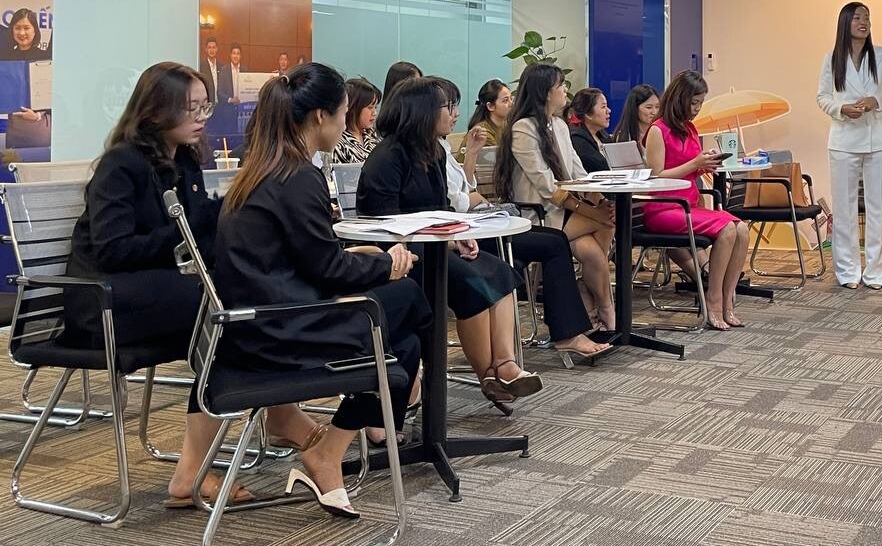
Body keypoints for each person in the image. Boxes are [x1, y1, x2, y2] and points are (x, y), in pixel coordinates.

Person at [64, 62, 320, 508]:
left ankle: (261, 429)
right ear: (156, 110)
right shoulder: (121, 164)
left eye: (206, 106)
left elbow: (195, 238)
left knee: (242, 301)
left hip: (152, 290)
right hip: (102, 301)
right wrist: (190, 229)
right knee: (226, 311)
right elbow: (113, 251)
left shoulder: (183, 159)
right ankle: (228, 451)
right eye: (192, 108)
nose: (202, 117)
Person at [217, 64, 428, 519]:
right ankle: (345, 441)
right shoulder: (298, 177)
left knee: (405, 337)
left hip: (256, 323)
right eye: (344, 113)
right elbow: (328, 269)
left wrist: (363, 258)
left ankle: (338, 443)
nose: (346, 121)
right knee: (408, 309)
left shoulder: (267, 168)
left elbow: (306, 257)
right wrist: (386, 263)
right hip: (280, 329)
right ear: (320, 116)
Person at [357, 77, 543, 403]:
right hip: (402, 254)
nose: (453, 113)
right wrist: (440, 240)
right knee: (471, 284)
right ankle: (489, 375)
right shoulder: (388, 156)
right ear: (423, 111)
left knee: (498, 271)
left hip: (435, 245)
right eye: (447, 106)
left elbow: (442, 207)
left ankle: (505, 364)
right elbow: (381, 222)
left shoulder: (433, 152)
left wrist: (458, 237)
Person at [431, 76, 609, 360]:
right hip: (513, 218)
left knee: (584, 241)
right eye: (450, 107)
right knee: (573, 235)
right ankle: (587, 318)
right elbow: (456, 199)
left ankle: (592, 310)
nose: (456, 115)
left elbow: (466, 187)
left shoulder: (441, 146)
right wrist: (474, 197)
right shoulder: (522, 129)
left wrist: (472, 165)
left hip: (481, 222)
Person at [495, 64, 617, 331]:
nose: (565, 91)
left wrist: (598, 197)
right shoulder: (523, 129)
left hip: (566, 211)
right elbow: (547, 187)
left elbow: (579, 173)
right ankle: (604, 307)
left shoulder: (559, 125)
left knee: (593, 249)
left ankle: (592, 298)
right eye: (561, 86)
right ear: (545, 92)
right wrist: (592, 211)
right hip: (539, 215)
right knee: (607, 220)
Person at [643, 70, 751, 330]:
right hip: (664, 208)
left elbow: (687, 168)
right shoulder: (658, 130)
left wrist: (704, 165)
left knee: (742, 230)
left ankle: (727, 299)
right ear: (679, 98)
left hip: (688, 204)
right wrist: (695, 163)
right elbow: (656, 176)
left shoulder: (689, 129)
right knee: (727, 229)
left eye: (700, 103)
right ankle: (713, 300)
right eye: (694, 103)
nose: (697, 109)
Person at [817, 1, 882, 291]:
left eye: (867, 17)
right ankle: (847, 271)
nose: (864, 22)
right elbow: (822, 97)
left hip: (878, 139)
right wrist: (842, 109)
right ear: (845, 23)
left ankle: (876, 272)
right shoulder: (832, 59)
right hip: (843, 141)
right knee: (844, 210)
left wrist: (876, 101)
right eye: (857, 18)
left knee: (878, 209)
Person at [333, 77, 380, 164]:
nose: (374, 113)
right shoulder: (338, 143)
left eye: (375, 107)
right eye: (370, 107)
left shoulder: (373, 135)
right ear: (354, 108)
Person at [568, 87, 611, 174]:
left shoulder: (602, 134)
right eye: (603, 107)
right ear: (588, 114)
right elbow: (602, 168)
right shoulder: (577, 139)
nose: (608, 111)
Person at [613, 84, 660, 157]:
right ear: (635, 108)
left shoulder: (662, 133)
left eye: (657, 107)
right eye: (649, 107)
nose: (654, 112)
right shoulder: (624, 136)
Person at [467, 79, 512, 147]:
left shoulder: (506, 125)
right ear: (490, 106)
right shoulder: (482, 133)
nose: (511, 103)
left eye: (511, 99)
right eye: (505, 100)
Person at [199, 38, 221, 103]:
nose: (212, 50)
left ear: (217, 49)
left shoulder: (222, 67)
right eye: (209, 47)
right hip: (207, 103)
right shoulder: (201, 67)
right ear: (206, 49)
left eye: (214, 47)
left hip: (221, 104)